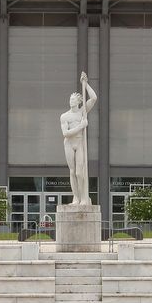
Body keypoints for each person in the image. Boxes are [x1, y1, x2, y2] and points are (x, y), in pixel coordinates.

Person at [60, 71, 98, 207]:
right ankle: (75, 198)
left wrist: (86, 84)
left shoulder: (83, 112)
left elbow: (93, 98)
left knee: (79, 172)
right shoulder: (64, 116)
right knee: (72, 171)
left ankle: (84, 198)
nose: (71, 101)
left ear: (78, 102)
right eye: (70, 100)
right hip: (69, 144)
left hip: (79, 143)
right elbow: (65, 133)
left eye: (73, 100)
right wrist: (81, 126)